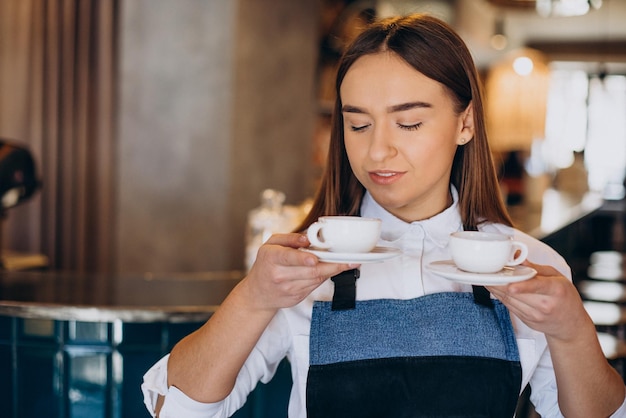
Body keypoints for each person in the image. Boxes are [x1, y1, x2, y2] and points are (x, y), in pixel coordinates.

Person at [142, 13, 626, 418]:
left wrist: (572, 331)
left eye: (409, 122)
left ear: (465, 123)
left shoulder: (530, 267)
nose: (377, 150)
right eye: (358, 124)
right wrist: (252, 298)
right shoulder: (300, 267)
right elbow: (174, 409)